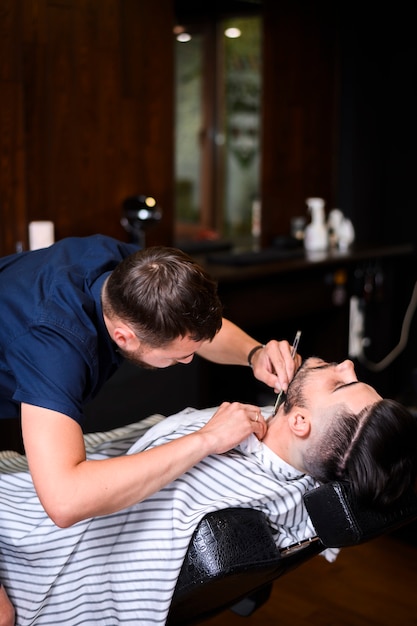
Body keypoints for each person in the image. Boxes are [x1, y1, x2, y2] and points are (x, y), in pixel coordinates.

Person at [0, 234, 300, 624]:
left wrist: (253, 353)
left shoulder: (133, 271)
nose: (191, 361)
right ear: (125, 336)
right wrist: (206, 439)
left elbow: (187, 329)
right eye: (180, 357)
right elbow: (65, 500)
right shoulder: (55, 346)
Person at [0, 356, 416, 625]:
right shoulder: (307, 476)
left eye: (340, 384)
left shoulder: (203, 475)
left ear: (300, 423)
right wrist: (255, 353)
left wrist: (203, 440)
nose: (345, 364)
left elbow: (71, 512)